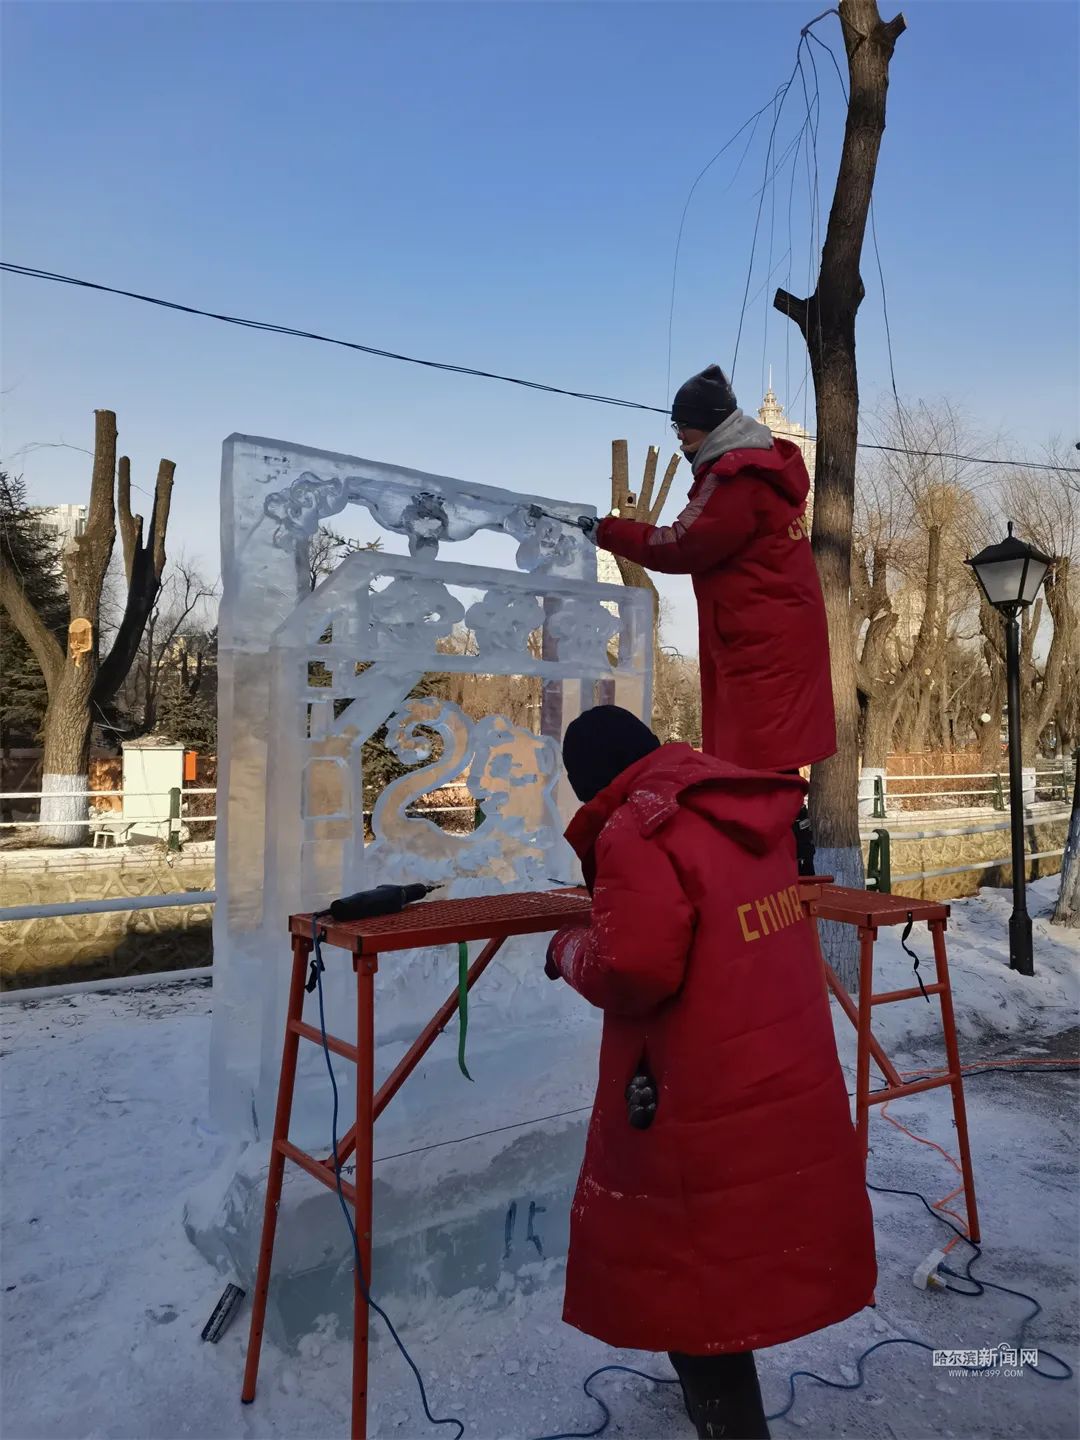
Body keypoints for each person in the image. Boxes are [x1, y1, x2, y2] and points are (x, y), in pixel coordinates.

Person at [546, 705, 876, 1440]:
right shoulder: (731, 803)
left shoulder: (638, 828)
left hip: (692, 1081)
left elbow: (632, 968)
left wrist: (570, 946)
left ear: (587, 782)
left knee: (679, 1256)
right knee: (724, 1250)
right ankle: (719, 1389)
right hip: (767, 1059)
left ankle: (730, 1419)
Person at [585, 364, 834, 874]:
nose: (678, 436)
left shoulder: (736, 478)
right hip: (771, 636)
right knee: (768, 757)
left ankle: (777, 861)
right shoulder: (758, 473)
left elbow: (681, 544)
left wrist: (606, 531)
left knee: (760, 758)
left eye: (683, 426)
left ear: (710, 424)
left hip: (760, 643)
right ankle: (785, 853)